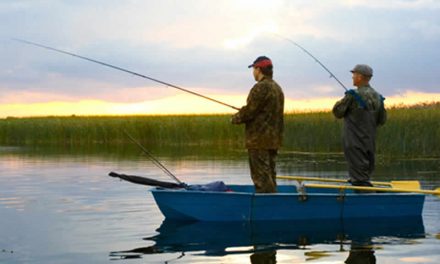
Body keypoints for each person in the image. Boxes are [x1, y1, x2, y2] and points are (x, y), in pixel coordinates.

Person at [231, 56, 284, 193]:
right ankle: (274, 204)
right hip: (273, 141)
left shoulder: (260, 88)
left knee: (261, 179)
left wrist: (235, 118)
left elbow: (249, 112)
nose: (253, 73)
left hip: (259, 141)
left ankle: (266, 208)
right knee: (270, 176)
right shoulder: (277, 88)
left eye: (253, 69)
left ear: (258, 69)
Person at [333, 64, 387, 187]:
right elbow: (382, 120)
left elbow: (337, 112)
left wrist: (342, 100)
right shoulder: (379, 97)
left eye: (354, 75)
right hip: (369, 141)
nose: (352, 77)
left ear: (360, 77)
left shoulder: (352, 95)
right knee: (364, 174)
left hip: (354, 141)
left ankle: (363, 198)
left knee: (359, 180)